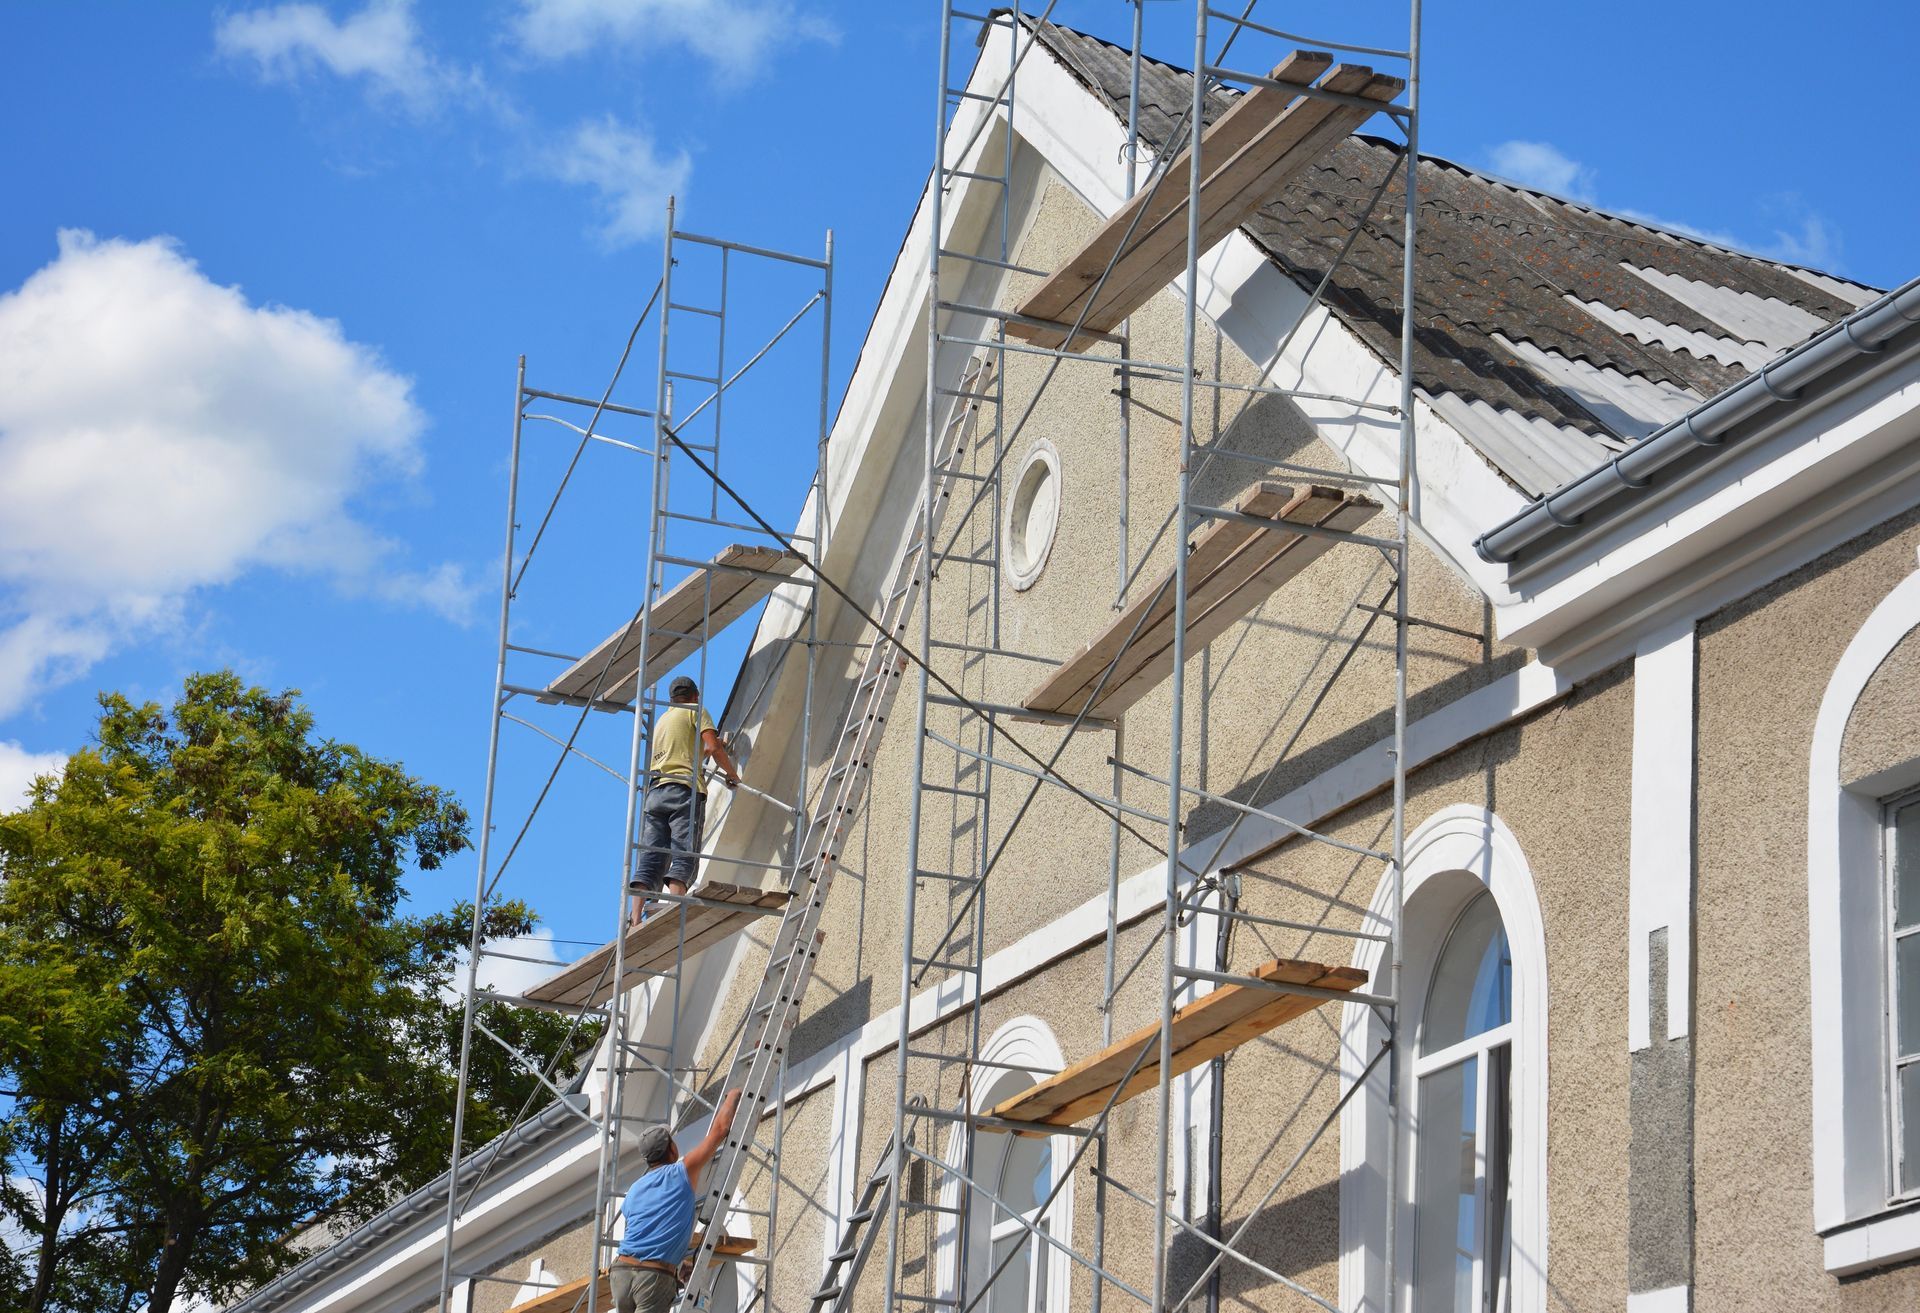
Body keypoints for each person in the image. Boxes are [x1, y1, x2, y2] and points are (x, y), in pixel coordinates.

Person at [612, 1088, 743, 1313]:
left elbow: (650, 1231)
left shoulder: (635, 1190)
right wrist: (734, 1094)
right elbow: (720, 1131)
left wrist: (677, 1265)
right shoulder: (680, 1172)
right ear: (672, 1149)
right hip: (652, 1276)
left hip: (621, 1273)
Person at [633, 676, 740, 914]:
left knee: (651, 858)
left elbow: (683, 753)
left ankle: (635, 920)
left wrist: (707, 748)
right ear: (695, 696)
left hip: (655, 793)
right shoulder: (695, 711)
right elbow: (713, 748)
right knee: (683, 852)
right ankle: (674, 908)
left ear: (671, 699)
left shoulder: (663, 720)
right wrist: (732, 774)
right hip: (683, 791)